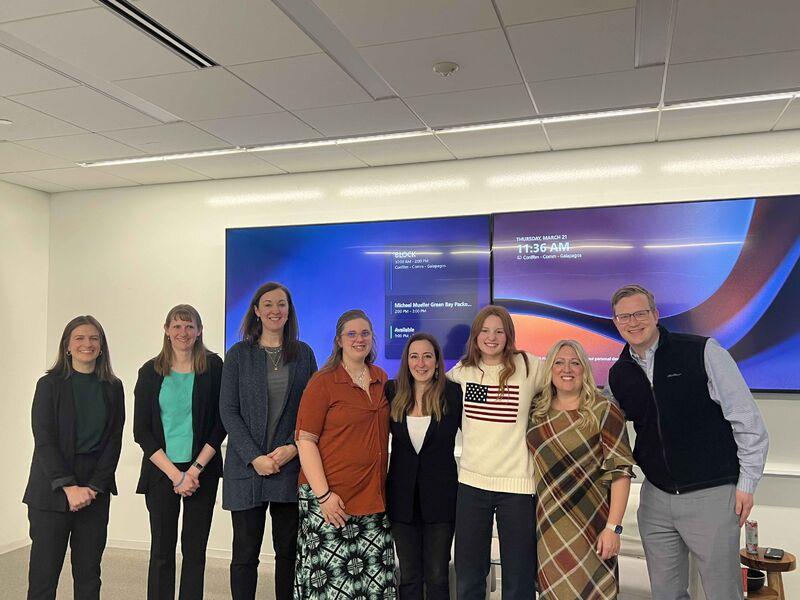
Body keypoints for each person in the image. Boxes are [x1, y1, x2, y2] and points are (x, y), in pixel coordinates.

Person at [606, 284, 769, 600]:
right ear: (615, 322)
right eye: (624, 316)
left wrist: (747, 483)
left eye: (640, 313)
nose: (633, 322)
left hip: (711, 495)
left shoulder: (703, 351)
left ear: (655, 314)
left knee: (723, 591)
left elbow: (748, 421)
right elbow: (600, 421)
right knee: (666, 593)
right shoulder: (619, 373)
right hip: (656, 498)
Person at [219, 282, 317, 600]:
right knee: (245, 555)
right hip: (247, 469)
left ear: (289, 312)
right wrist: (255, 457)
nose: (275, 310)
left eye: (282, 304)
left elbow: (311, 410)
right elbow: (228, 412)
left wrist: (291, 448)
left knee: (288, 554)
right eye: (269, 304)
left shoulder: (303, 355)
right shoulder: (238, 355)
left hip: (289, 467)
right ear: (257, 311)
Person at [294, 309, 396, 600]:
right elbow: (305, 441)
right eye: (351, 334)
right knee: (332, 589)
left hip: (373, 500)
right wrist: (324, 496)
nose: (359, 339)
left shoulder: (380, 378)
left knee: (376, 587)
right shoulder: (322, 382)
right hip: (331, 501)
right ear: (339, 340)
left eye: (365, 333)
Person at [23, 316, 125, 600]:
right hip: (51, 490)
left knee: (89, 575)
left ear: (102, 346)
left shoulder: (113, 387)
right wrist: (68, 486)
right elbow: (44, 440)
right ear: (67, 346)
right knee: (44, 577)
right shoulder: (49, 385)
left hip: (95, 490)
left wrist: (93, 487)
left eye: (94, 338)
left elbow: (113, 442)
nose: (87, 344)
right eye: (79, 338)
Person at [447, 305, 543, 600]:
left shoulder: (529, 366)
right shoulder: (463, 372)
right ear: (475, 336)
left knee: (518, 577)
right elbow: (426, 388)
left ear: (509, 335)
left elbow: (568, 382)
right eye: (485, 331)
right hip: (472, 484)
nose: (492, 337)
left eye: (499, 331)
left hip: (517, 486)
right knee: (469, 574)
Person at [527, 340, 634, 599]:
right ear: (549, 369)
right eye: (559, 362)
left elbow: (620, 472)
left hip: (592, 527)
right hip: (547, 527)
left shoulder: (604, 410)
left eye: (575, 363)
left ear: (585, 369)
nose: (567, 369)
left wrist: (613, 528)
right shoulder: (535, 413)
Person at [133, 304, 225, 600]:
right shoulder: (150, 371)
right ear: (166, 330)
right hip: (162, 473)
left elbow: (220, 423)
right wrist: (176, 475)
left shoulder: (213, 367)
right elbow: (141, 431)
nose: (183, 332)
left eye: (189, 326)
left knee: (195, 551)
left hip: (202, 472)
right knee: (161, 550)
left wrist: (194, 471)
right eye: (177, 326)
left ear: (199, 331)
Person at [386, 333, 463, 600]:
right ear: (406, 361)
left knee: (437, 575)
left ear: (437, 361)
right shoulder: (391, 392)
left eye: (427, 356)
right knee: (408, 575)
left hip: (441, 502)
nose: (421, 363)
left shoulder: (453, 394)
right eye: (414, 356)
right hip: (401, 501)